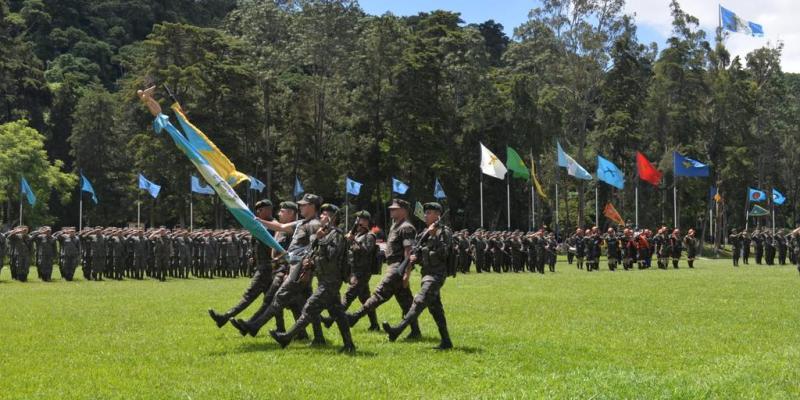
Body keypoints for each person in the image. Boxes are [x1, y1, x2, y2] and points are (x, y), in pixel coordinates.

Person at [270, 203, 355, 353]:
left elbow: (331, 256)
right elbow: (316, 252)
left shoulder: (336, 235)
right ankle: (349, 345)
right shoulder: (326, 234)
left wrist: (320, 241)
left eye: (323, 214)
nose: (321, 216)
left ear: (330, 217)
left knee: (310, 307)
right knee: (338, 313)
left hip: (331, 280)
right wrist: (317, 243)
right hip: (325, 280)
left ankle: (287, 337)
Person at [343, 199, 420, 338]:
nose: (391, 210)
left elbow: (409, 252)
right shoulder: (395, 225)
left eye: (394, 209)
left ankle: (355, 317)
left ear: (404, 210)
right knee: (406, 301)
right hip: (393, 265)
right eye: (391, 208)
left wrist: (406, 273)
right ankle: (415, 331)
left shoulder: (406, 227)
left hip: (398, 267)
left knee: (379, 294)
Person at [382, 202, 453, 350]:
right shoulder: (425, 232)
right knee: (435, 309)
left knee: (419, 301)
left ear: (437, 215)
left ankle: (397, 330)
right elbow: (419, 252)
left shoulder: (444, 232)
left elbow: (444, 253)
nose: (425, 215)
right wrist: (415, 258)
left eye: (429, 213)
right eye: (425, 212)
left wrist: (434, 236)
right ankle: (446, 341)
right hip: (426, 274)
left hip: (436, 275)